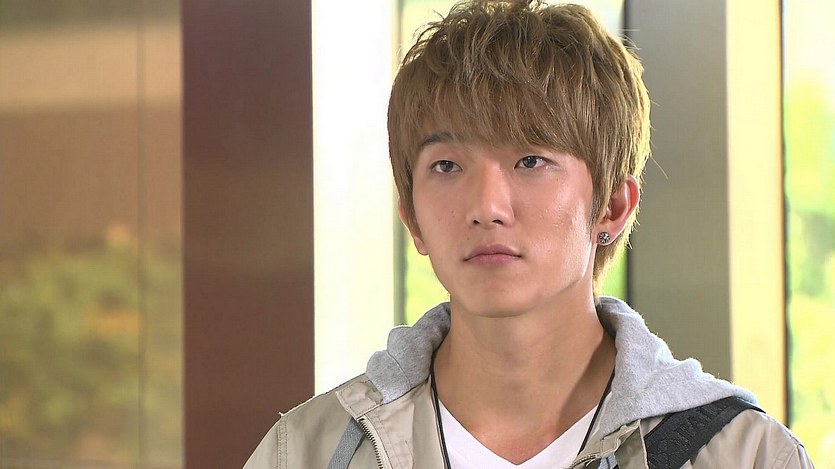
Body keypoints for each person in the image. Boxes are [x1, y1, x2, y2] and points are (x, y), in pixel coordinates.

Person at [244, 1, 813, 467]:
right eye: (447, 165)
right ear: (411, 217)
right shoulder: (309, 453)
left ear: (612, 206)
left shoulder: (745, 455)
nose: (487, 207)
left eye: (530, 161)